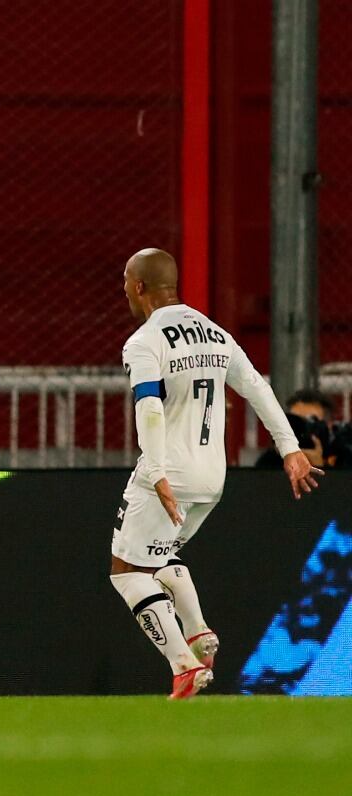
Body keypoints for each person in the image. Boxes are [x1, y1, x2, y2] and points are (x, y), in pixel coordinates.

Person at [110, 248, 321, 699]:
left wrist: (159, 473)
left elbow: (148, 408)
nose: (124, 289)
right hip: (213, 478)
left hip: (170, 471)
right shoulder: (214, 333)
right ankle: (198, 632)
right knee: (160, 557)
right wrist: (290, 448)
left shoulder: (144, 341)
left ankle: (184, 665)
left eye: (126, 282)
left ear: (141, 287)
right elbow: (258, 388)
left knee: (127, 571)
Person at [254, 389, 338, 469]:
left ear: (327, 426)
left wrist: (319, 466)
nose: (301, 427)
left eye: (310, 421)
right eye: (295, 421)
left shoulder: (342, 456)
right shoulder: (271, 459)